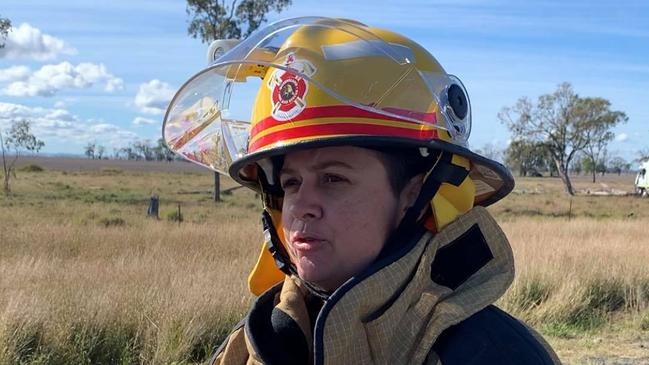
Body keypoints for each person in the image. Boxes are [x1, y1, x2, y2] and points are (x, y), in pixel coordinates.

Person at [163, 17, 561, 365]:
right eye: (290, 182)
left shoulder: (495, 355)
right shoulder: (259, 342)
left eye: (334, 179)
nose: (301, 207)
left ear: (413, 192)